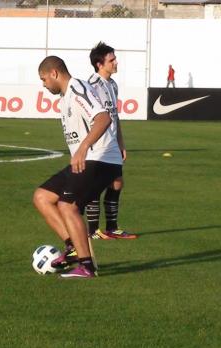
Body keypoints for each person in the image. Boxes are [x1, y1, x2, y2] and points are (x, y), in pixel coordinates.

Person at [32, 56, 123, 278]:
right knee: (42, 197)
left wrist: (83, 148)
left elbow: (103, 118)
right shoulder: (65, 97)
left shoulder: (78, 88)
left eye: (44, 79)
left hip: (101, 159)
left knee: (67, 206)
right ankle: (73, 248)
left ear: (54, 73)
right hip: (88, 159)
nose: (43, 85)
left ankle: (86, 266)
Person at [86, 42, 136, 240]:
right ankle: (92, 231)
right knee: (95, 186)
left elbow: (115, 116)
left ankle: (112, 228)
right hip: (98, 144)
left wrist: (121, 143)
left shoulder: (112, 85)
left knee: (116, 183)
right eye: (112, 59)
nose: (116, 62)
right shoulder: (92, 85)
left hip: (112, 143)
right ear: (100, 64)